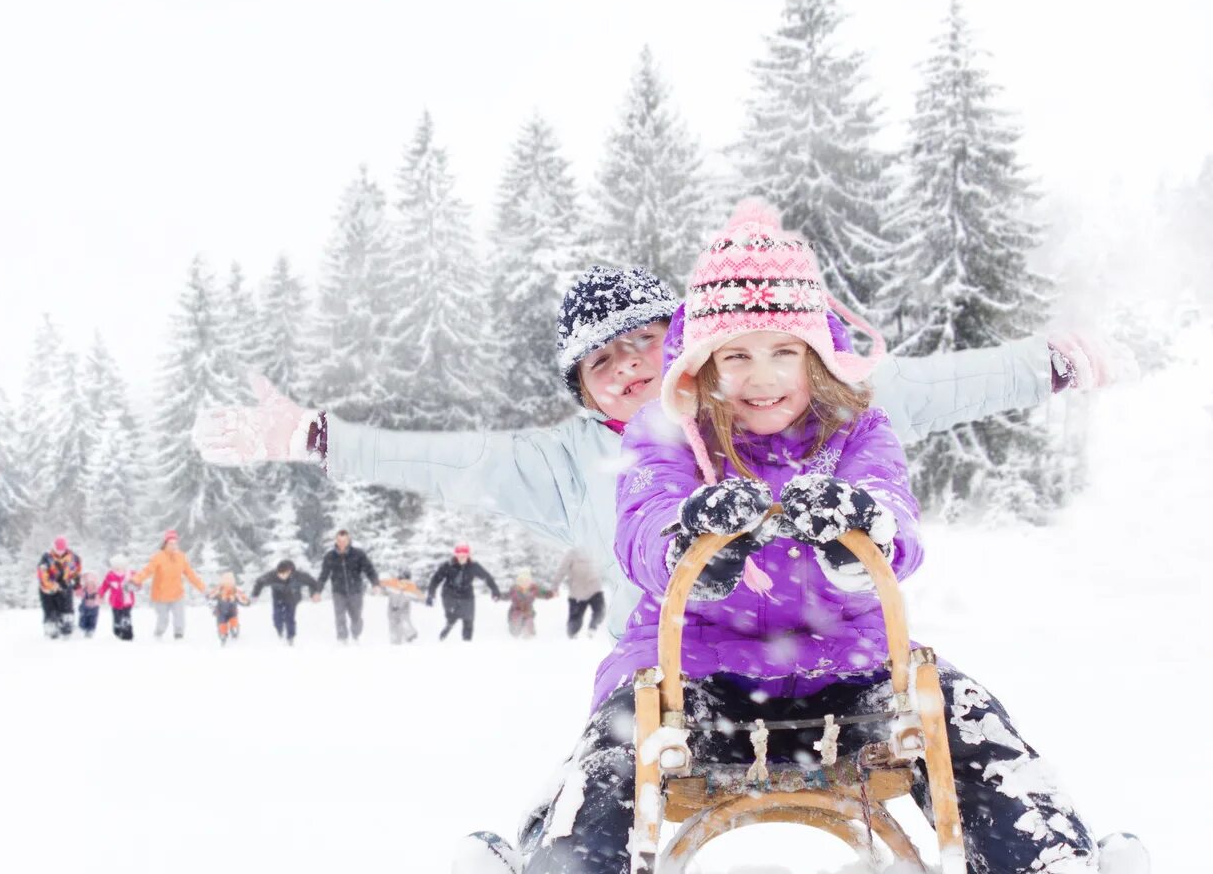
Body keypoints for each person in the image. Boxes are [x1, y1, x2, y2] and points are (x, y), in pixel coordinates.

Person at [517, 201, 1128, 874]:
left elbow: (899, 522)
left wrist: (863, 530)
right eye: (734, 356)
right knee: (616, 738)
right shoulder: (667, 432)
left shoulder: (858, 430)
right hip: (692, 675)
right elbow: (642, 521)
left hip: (850, 669)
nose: (760, 378)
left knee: (957, 710)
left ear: (819, 356)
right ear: (701, 363)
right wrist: (689, 542)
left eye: (784, 352)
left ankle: (1055, 865)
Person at [192, 275, 1129, 646]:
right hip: (669, 675)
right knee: (605, 758)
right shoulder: (560, 464)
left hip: (829, 647)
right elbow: (445, 461)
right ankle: (565, 870)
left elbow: (918, 389)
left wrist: (1046, 365)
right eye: (605, 361)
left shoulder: (763, 395)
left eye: (646, 342)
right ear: (585, 392)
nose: (633, 367)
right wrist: (318, 438)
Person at [132, 530, 207, 640]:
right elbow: (147, 571)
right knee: (163, 620)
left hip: (177, 594)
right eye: (170, 543)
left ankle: (179, 636)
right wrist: (135, 580)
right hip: (161, 595)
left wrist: (203, 589)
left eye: (175, 543)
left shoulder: (181, 557)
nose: (173, 545)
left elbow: (191, 575)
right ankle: (158, 635)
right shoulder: (158, 557)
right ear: (165, 543)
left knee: (180, 618)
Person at [425, 544, 501, 642]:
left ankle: (466, 643)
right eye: (459, 554)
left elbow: (487, 577)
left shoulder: (473, 566)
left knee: (468, 620)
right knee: (452, 618)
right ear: (455, 555)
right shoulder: (448, 565)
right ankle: (445, 633)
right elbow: (435, 579)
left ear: (468, 555)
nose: (462, 557)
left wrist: (495, 590)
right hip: (449, 595)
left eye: (464, 555)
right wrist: (431, 595)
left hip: (467, 595)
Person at [314, 529, 379, 643]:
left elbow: (369, 570)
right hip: (338, 591)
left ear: (349, 540)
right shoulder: (330, 556)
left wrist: (375, 583)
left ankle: (356, 635)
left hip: (356, 591)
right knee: (340, 616)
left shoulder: (358, 554)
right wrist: (317, 591)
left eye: (344, 540)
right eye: (339, 540)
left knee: (356, 617)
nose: (342, 543)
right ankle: (342, 639)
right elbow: (324, 575)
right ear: (336, 540)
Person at [250, 558, 320, 645]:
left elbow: (312, 582)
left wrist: (314, 593)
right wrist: (255, 594)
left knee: (289, 617)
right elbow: (259, 582)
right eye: (279, 574)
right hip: (278, 597)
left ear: (289, 571)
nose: (281, 576)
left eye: (284, 574)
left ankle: (290, 637)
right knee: (277, 616)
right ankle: (280, 631)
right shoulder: (272, 576)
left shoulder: (299, 576)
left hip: (293, 596)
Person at [551, 547, 606, 640]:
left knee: (600, 611)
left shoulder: (594, 549)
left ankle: (592, 631)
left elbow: (603, 566)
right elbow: (561, 570)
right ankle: (571, 637)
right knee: (576, 618)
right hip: (578, 592)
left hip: (594, 589)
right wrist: (555, 585)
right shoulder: (572, 553)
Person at [35, 536, 81, 639]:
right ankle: (51, 628)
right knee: (50, 609)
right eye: (58, 550)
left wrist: (76, 583)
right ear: (54, 547)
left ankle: (67, 626)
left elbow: (76, 570)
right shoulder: (46, 558)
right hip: (48, 589)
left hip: (65, 586)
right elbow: (42, 575)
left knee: (66, 608)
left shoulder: (73, 557)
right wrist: (54, 585)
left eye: (62, 550)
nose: (60, 552)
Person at [505, 570, 557, 639]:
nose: (524, 582)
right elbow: (506, 595)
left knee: (529, 628)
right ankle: (515, 631)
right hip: (516, 611)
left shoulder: (533, 589)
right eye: (521, 580)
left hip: (528, 611)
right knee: (515, 632)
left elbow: (543, 593)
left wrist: (551, 594)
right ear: (518, 581)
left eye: (526, 580)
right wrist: (498, 596)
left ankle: (528, 635)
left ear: (529, 581)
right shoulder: (514, 590)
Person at [205, 571, 251, 645]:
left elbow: (210, 595)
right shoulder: (234, 589)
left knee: (221, 621)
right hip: (232, 609)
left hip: (221, 610)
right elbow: (242, 597)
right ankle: (234, 628)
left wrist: (209, 597)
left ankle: (223, 634)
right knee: (233, 618)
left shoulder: (219, 589)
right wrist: (247, 602)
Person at [99, 554, 138, 641]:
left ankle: (127, 636)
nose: (118, 569)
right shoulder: (110, 576)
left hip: (127, 603)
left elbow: (138, 583)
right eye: (115, 567)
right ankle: (117, 633)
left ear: (124, 566)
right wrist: (100, 594)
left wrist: (135, 585)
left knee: (126, 619)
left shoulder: (130, 575)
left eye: (120, 567)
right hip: (115, 603)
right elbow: (104, 586)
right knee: (117, 620)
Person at [380, 568, 423, 645]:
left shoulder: (394, 582)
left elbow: (381, 585)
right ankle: (403, 637)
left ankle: (402, 638)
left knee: (398, 622)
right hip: (398, 608)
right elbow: (420, 596)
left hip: (397, 608)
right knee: (400, 621)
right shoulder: (409, 585)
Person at [76, 569, 101, 638]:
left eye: (92, 583)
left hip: (94, 608)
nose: (90, 585)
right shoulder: (83, 589)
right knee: (83, 619)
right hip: (84, 608)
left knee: (92, 620)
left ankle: (90, 630)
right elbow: (78, 593)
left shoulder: (97, 590)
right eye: (88, 583)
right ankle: (82, 629)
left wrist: (96, 602)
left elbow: (100, 597)